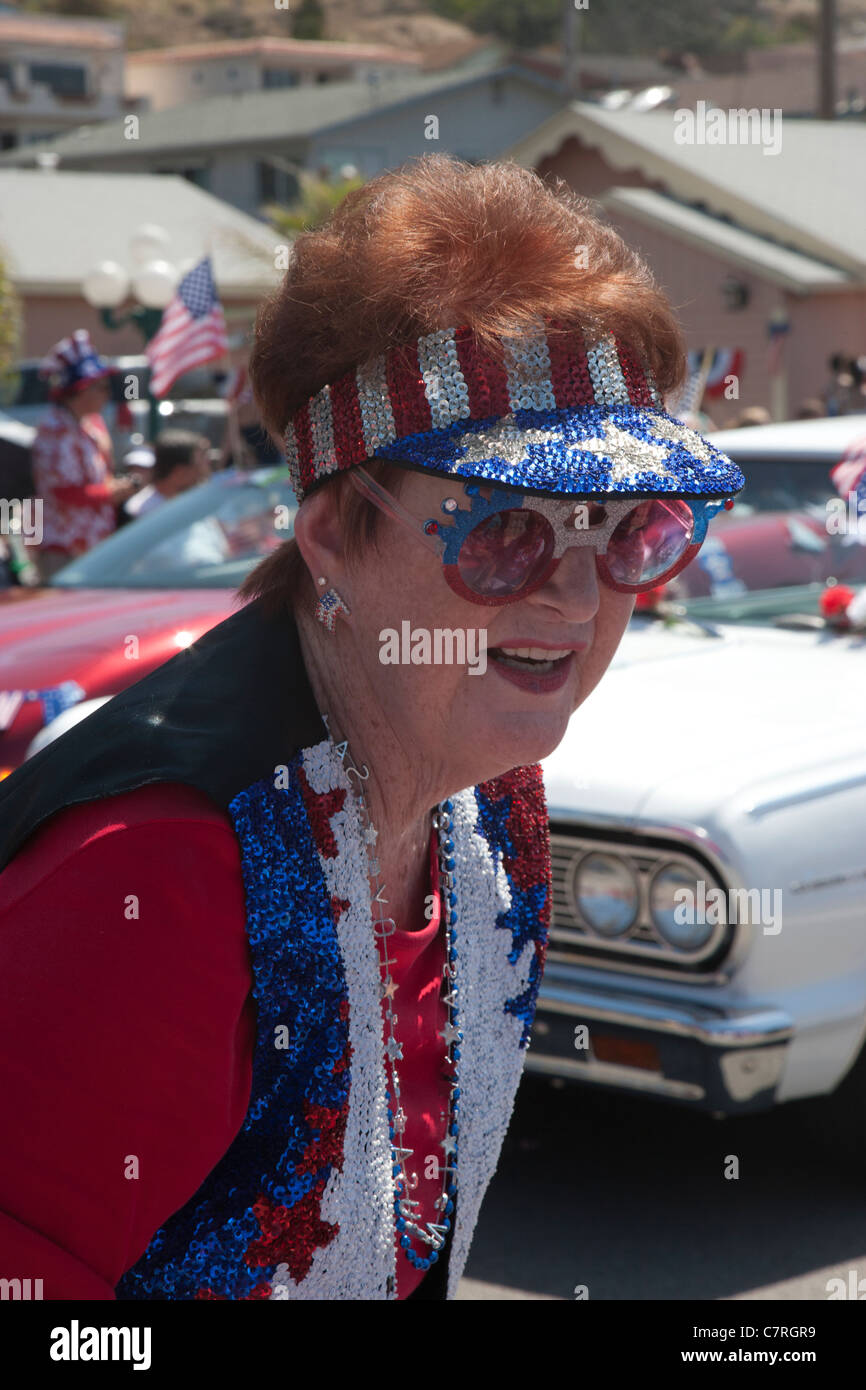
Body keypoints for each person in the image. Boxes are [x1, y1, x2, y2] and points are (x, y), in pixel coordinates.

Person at [0, 155, 744, 1301]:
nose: (573, 593)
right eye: (503, 527)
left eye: (629, 527)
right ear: (332, 532)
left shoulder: (490, 803)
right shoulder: (160, 866)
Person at [30, 330, 135, 581]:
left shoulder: (91, 424)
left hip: (92, 544)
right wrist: (111, 492)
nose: (107, 394)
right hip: (65, 547)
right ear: (80, 389)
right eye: (100, 387)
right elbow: (64, 492)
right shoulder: (56, 429)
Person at [122, 428, 211, 522]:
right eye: (198, 466)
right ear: (179, 472)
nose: (204, 472)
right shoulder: (140, 512)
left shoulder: (200, 505)